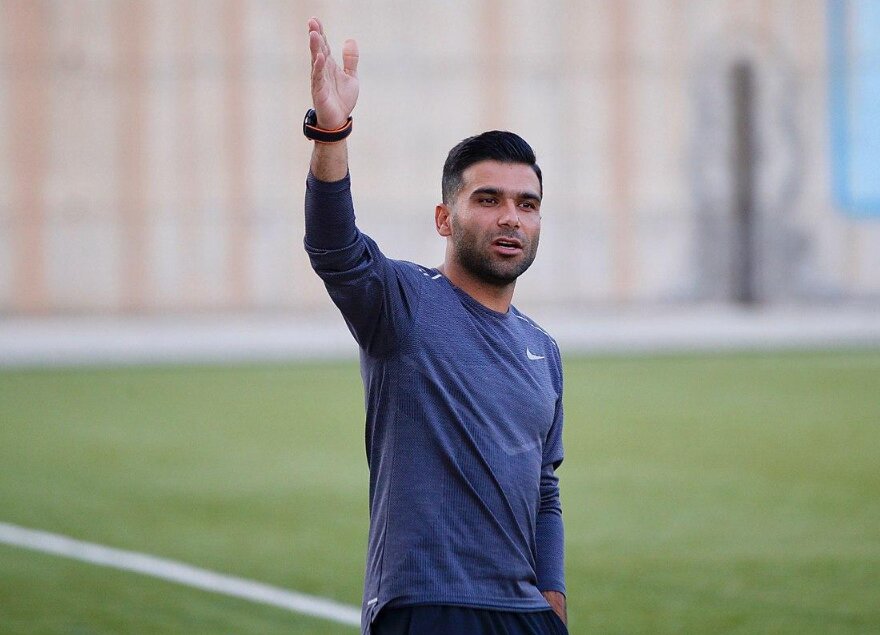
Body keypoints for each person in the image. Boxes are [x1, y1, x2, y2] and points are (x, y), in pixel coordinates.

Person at [303, 17, 567, 635]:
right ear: (445, 218)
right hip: (426, 605)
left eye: (527, 204)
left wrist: (553, 603)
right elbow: (334, 249)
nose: (511, 218)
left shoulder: (543, 349)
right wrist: (331, 132)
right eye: (488, 200)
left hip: (525, 614)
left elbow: (545, 489)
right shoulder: (403, 303)